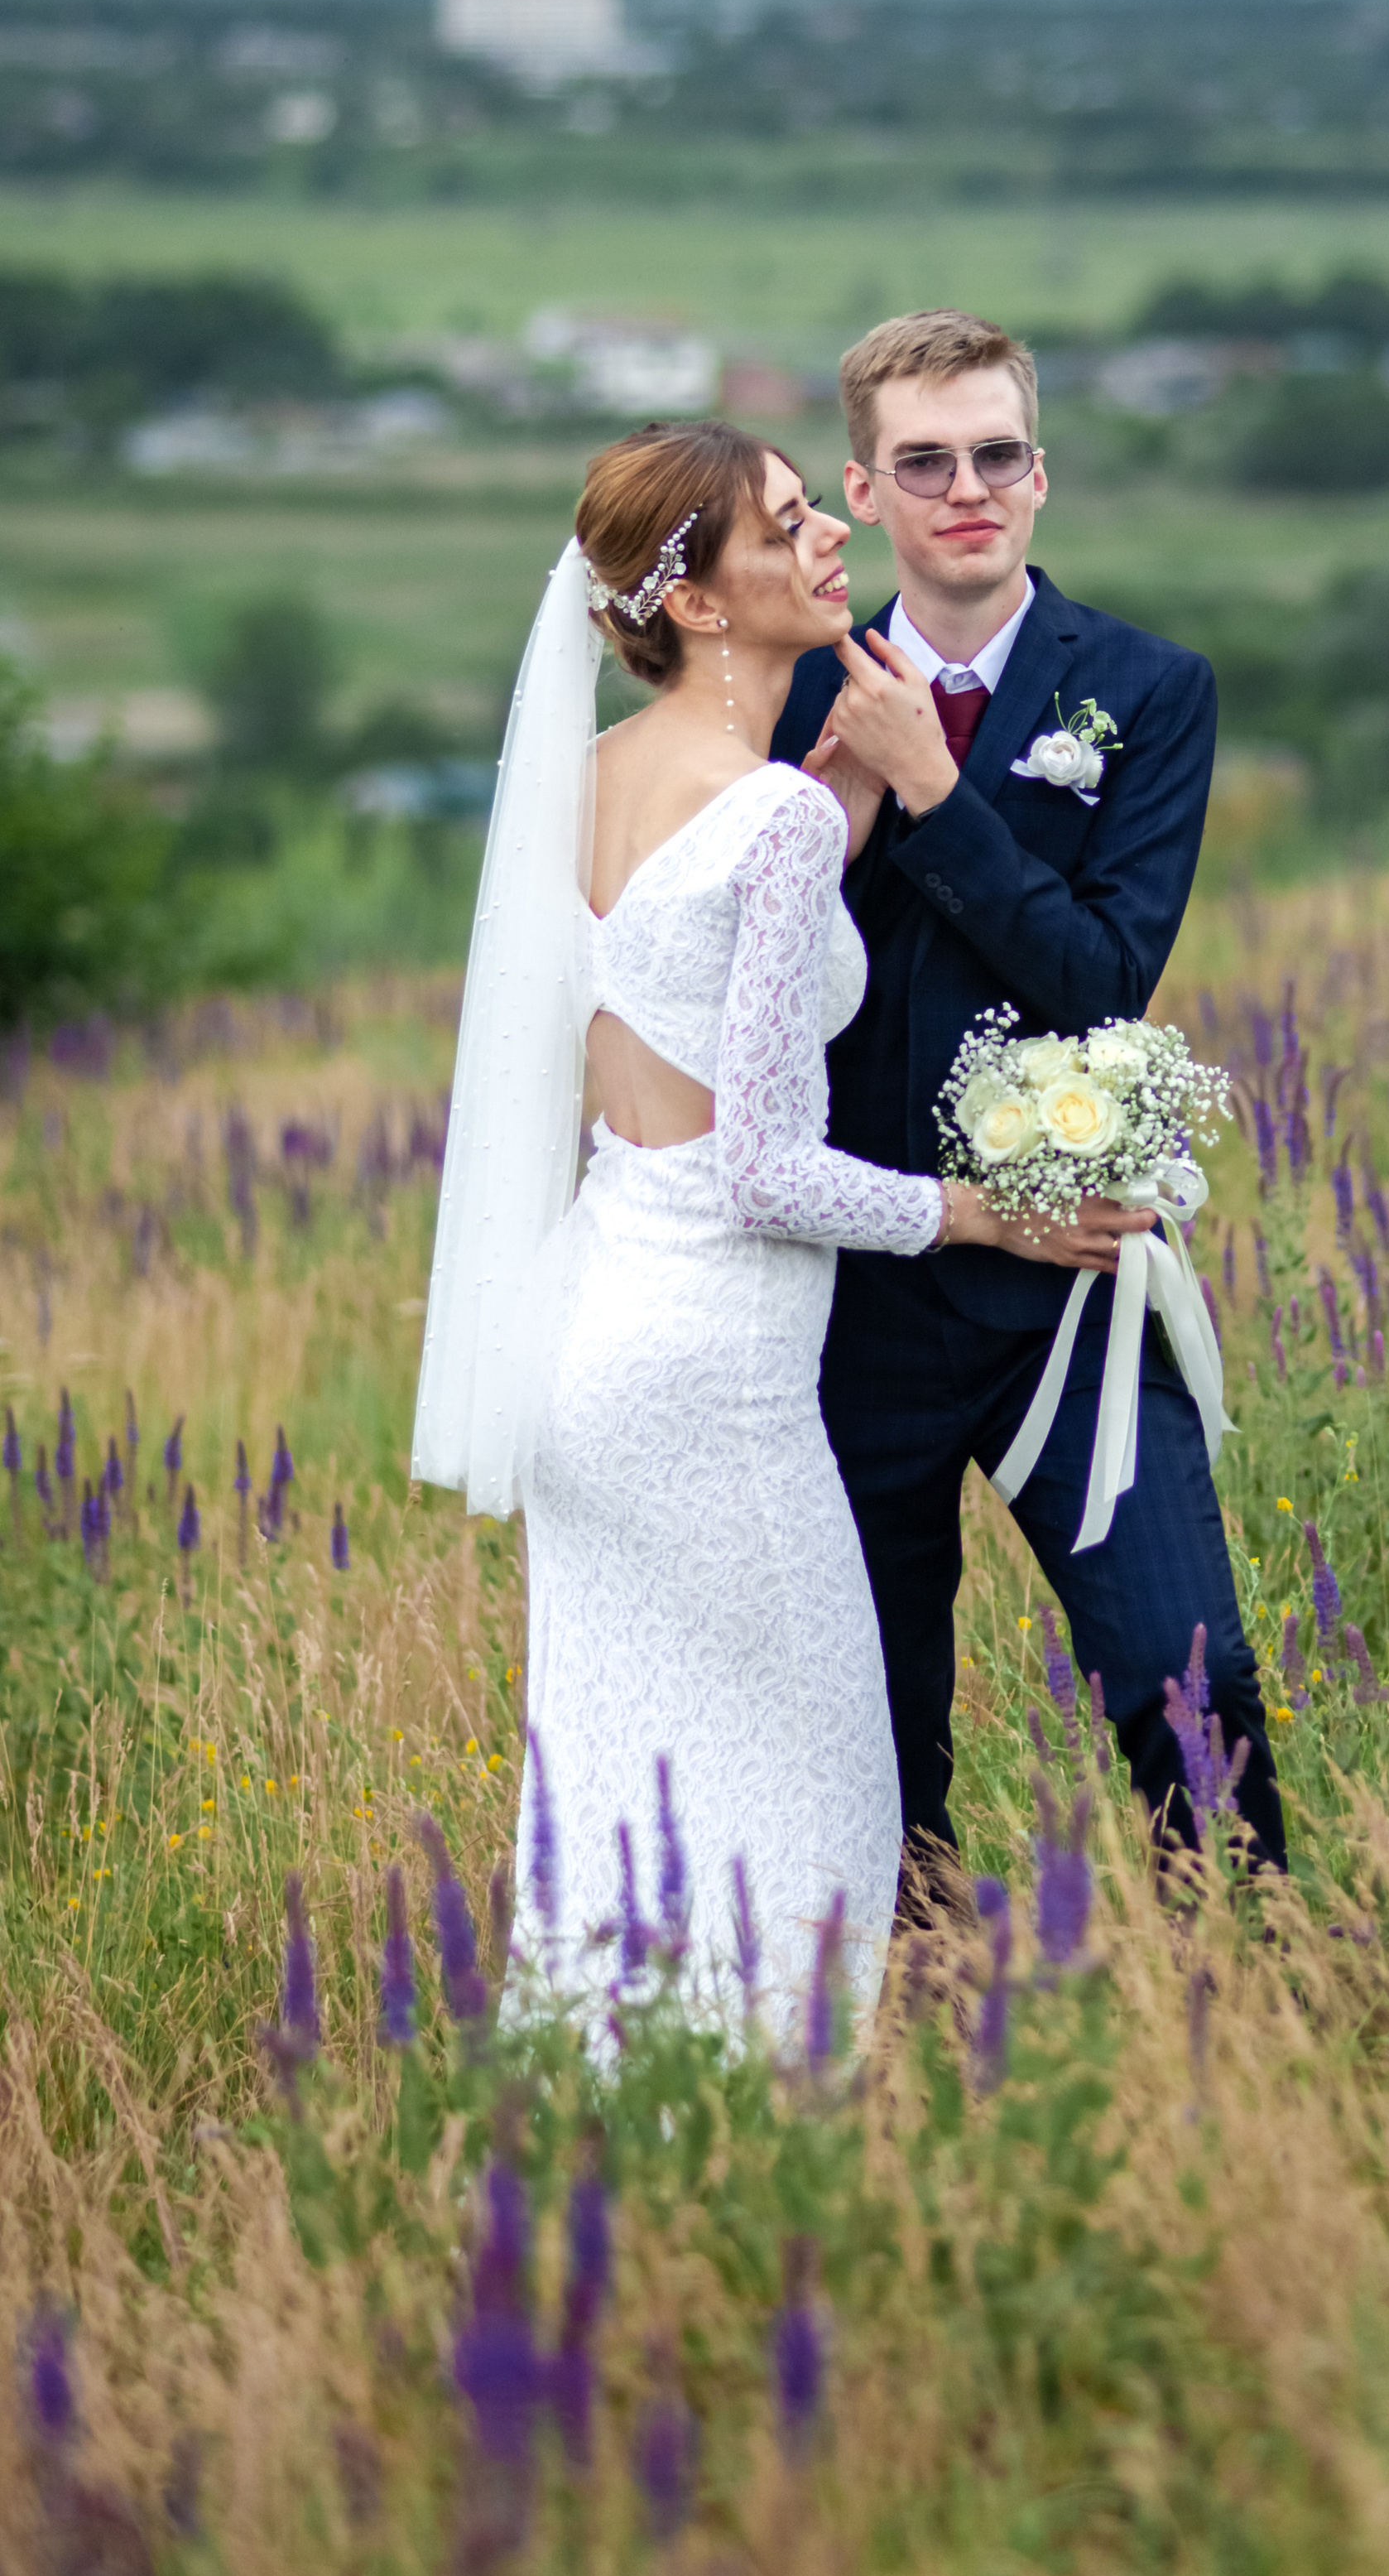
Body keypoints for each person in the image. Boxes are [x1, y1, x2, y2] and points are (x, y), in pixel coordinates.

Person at [410, 420, 1113, 2035]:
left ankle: (622, 2134)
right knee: (823, 1805)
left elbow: (690, 942)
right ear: (705, 602)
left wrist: (846, 777)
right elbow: (767, 1173)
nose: (828, 543)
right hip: (713, 1376)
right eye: (787, 527)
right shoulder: (773, 827)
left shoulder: (599, 783)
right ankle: (784, 2146)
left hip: (588, 1343)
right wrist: (988, 1212)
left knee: (616, 1808)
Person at [773, 307, 1286, 1890]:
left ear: (1043, 475)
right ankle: (905, 2018)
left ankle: (1251, 1996)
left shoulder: (1147, 687)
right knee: (880, 1718)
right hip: (853, 1291)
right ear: (865, 492)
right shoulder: (785, 704)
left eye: (997, 454)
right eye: (924, 462)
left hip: (1074, 1284)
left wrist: (927, 790)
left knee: (1180, 1663)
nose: (966, 488)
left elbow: (1101, 979)